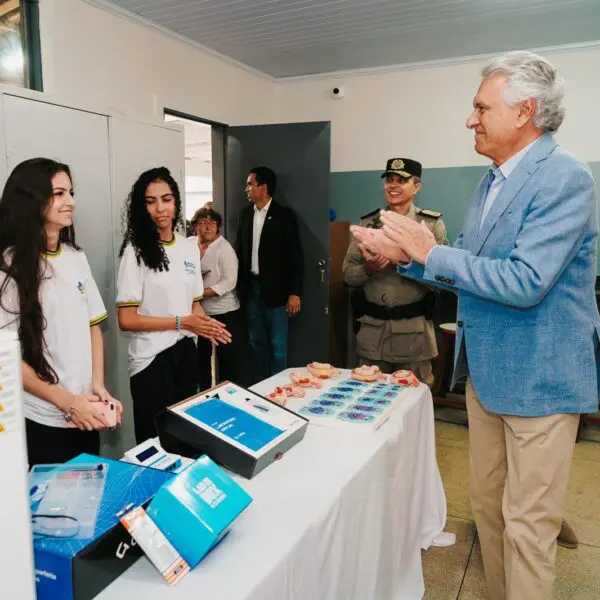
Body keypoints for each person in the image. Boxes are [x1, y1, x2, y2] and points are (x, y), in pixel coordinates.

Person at [351, 51, 598, 599]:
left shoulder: (564, 178)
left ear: (525, 111)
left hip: (540, 381)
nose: (471, 119)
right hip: (486, 376)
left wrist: (427, 251)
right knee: (488, 509)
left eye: (481, 107)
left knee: (529, 526)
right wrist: (404, 254)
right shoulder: (491, 182)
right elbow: (469, 269)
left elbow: (526, 280)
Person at [0, 158, 123, 466]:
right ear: (31, 199)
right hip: (43, 419)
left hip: (84, 411)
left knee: (89, 502)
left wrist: (98, 385)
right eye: (58, 193)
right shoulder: (10, 268)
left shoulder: (75, 257)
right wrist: (67, 404)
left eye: (71, 192)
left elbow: (93, 325)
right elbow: (8, 358)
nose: (70, 202)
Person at [116, 167, 231, 444]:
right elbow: (127, 319)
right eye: (151, 201)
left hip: (185, 354)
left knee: (185, 438)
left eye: (166, 199)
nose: (160, 209)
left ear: (176, 202)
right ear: (142, 207)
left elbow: (193, 305)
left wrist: (207, 327)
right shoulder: (136, 251)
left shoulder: (188, 247)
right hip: (151, 360)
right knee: (155, 442)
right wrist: (182, 322)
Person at [343, 158, 447, 385]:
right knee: (368, 401)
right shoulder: (369, 224)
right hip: (372, 335)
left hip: (413, 336)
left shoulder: (429, 225)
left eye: (402, 180)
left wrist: (409, 262)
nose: (393, 185)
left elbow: (444, 279)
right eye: (389, 180)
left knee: (412, 402)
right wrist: (368, 269)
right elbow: (348, 275)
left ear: (416, 187)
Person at [235, 166, 303, 383]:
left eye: (250, 184)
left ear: (263, 187)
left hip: (277, 291)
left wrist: (294, 293)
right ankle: (261, 388)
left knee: (278, 345)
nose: (246, 189)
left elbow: (295, 257)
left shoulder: (284, 216)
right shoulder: (245, 214)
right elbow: (239, 251)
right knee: (256, 342)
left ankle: (279, 387)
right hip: (252, 289)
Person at [192, 207, 248, 389]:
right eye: (203, 222)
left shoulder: (225, 249)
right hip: (200, 314)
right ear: (195, 226)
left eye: (212, 223)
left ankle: (228, 396)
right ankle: (204, 395)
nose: (208, 227)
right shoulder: (189, 245)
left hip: (225, 312)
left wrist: (200, 293)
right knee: (200, 359)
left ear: (218, 227)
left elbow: (229, 282)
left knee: (228, 360)